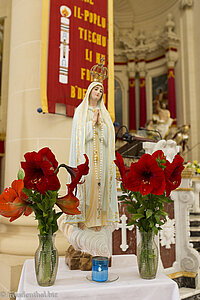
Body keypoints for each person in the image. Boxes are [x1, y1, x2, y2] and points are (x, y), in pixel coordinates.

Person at [60, 61, 119, 248]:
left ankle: (98, 220)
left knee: (100, 187)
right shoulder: (81, 111)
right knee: (88, 185)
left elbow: (109, 138)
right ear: (90, 91)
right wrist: (92, 123)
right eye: (96, 90)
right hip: (86, 159)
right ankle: (83, 219)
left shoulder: (105, 113)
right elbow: (78, 137)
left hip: (101, 157)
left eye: (101, 91)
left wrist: (101, 126)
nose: (99, 93)